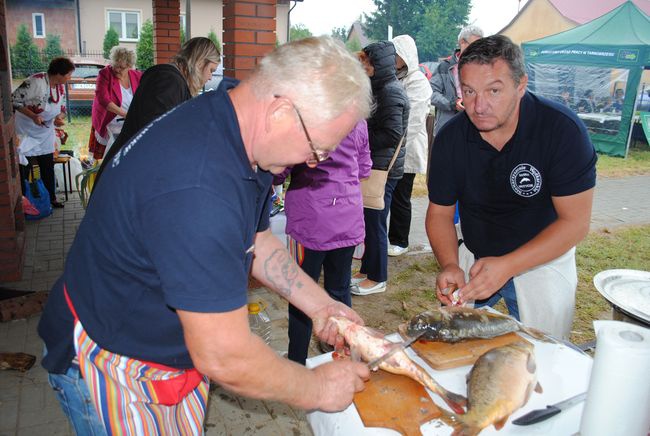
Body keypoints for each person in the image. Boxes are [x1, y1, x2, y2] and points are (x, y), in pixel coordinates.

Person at [37, 36, 373, 434]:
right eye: (317, 150)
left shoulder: (239, 125)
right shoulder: (199, 188)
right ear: (281, 111)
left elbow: (258, 240)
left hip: (170, 346)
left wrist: (321, 306)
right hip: (114, 357)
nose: (312, 164)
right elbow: (225, 356)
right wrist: (315, 387)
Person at [426, 35, 597, 340]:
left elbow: (575, 223)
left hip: (543, 261)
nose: (478, 106)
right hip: (476, 257)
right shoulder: (450, 139)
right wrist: (450, 264)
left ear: (521, 85)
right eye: (469, 91)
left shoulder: (562, 131)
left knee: (543, 354)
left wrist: (508, 265)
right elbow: (439, 213)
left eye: (494, 90)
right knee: (455, 346)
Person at [275, 120, 371, 365]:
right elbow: (364, 168)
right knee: (339, 289)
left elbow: (279, 172)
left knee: (302, 293)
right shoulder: (357, 121)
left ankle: (297, 359)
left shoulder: (306, 121)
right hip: (346, 215)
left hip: (311, 220)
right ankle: (340, 351)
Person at [93, 36, 220, 186]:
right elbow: (158, 140)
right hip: (127, 180)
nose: (210, 77)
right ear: (199, 62)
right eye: (211, 70)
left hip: (130, 175)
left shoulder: (172, 80)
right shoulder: (168, 80)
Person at [351, 41, 410, 296]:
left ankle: (378, 278)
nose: (362, 66)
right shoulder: (381, 88)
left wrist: (360, 140)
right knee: (369, 220)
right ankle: (367, 269)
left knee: (375, 224)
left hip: (383, 169)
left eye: (366, 62)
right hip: (377, 166)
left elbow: (392, 133)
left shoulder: (390, 91)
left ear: (378, 64)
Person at [387, 34, 433, 257]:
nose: (393, 59)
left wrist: (396, 145)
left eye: (396, 55)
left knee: (400, 196)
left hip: (407, 148)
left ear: (406, 56)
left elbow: (413, 121)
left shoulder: (418, 82)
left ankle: (399, 240)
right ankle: (388, 237)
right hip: (390, 147)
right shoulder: (395, 78)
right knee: (385, 195)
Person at [13, 57, 75, 209]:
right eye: (68, 74)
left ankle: (50, 198)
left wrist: (59, 118)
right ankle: (26, 200)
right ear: (59, 73)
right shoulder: (36, 81)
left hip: (45, 131)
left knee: (47, 165)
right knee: (24, 165)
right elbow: (13, 100)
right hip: (26, 129)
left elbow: (62, 108)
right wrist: (33, 116)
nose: (70, 78)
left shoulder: (60, 86)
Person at [90, 46, 142, 160]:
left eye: (121, 67)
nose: (117, 69)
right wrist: (126, 115)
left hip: (129, 122)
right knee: (111, 157)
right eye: (115, 65)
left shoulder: (137, 76)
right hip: (109, 121)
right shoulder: (104, 74)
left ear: (129, 66)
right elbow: (103, 99)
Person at [430, 25, 483, 135]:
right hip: (447, 127)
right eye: (475, 46)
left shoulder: (484, 67)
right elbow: (431, 94)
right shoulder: (444, 67)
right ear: (462, 42)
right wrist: (452, 104)